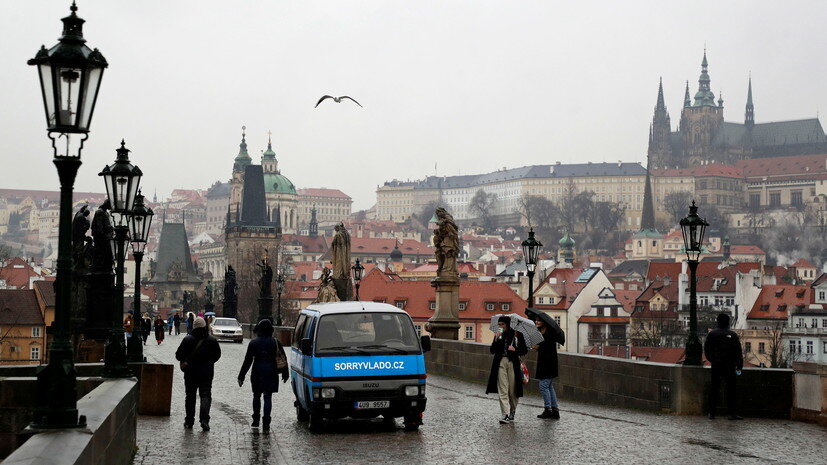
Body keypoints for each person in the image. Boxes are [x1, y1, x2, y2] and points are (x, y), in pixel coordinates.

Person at [237, 319, 289, 433]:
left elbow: (247, 361)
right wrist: (285, 372)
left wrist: (241, 376)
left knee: (256, 396)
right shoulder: (275, 342)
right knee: (268, 396)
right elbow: (283, 358)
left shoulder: (253, 343)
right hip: (271, 370)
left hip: (257, 370)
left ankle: (255, 420)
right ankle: (266, 423)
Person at [175, 317, 221, 431]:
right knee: (205, 395)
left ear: (194, 327)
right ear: (205, 326)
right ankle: (204, 420)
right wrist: (209, 362)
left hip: (190, 372)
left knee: (190, 396)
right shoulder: (212, 340)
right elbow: (217, 355)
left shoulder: (187, 339)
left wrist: (186, 360)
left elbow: (178, 355)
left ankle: (189, 420)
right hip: (206, 372)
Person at [486, 316, 528, 424]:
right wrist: (496, 339)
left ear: (507, 325)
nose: (500, 327)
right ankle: (504, 414)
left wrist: (515, 349)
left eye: (502, 324)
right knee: (502, 389)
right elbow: (492, 350)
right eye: (499, 324)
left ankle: (512, 411)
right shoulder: (499, 335)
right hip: (500, 363)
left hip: (513, 363)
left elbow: (524, 350)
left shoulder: (516, 335)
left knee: (513, 390)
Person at [704, 313, 744, 420]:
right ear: (728, 322)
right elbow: (738, 352)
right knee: (731, 390)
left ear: (718, 322)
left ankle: (711, 413)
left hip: (716, 365)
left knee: (714, 389)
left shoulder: (712, 334)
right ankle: (732, 413)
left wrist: (713, 360)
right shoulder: (733, 335)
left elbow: (707, 350)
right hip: (730, 366)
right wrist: (739, 366)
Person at [534, 318, 560, 419]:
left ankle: (548, 409)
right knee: (549, 386)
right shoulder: (544, 333)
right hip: (549, 363)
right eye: (536, 320)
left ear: (544, 323)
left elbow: (544, 348)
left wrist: (536, 347)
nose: (536, 322)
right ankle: (555, 410)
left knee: (543, 386)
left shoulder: (547, 334)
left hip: (547, 364)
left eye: (539, 321)